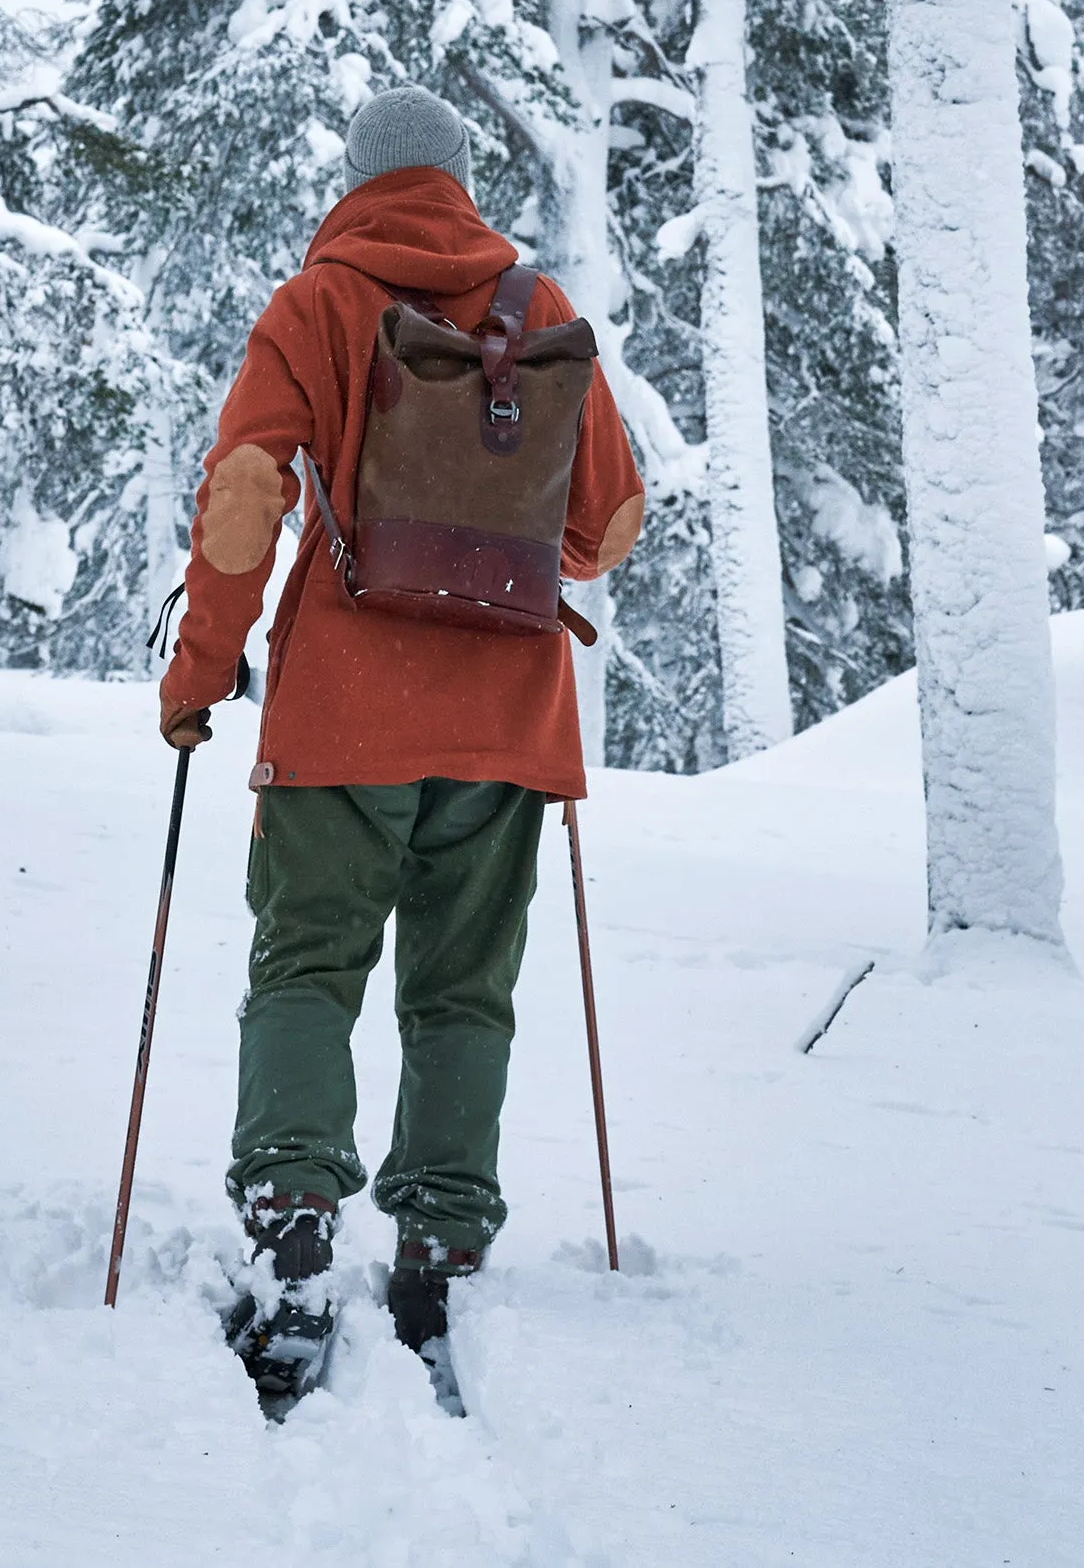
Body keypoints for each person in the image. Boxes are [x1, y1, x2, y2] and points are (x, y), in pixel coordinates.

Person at [156, 85, 646, 1411]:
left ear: (360, 180)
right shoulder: (534, 313)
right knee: (463, 985)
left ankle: (296, 1233)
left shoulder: (318, 304)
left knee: (309, 964)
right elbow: (605, 527)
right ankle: (439, 1245)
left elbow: (247, 496)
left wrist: (199, 676)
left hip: (345, 717)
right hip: (508, 721)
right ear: (462, 181)